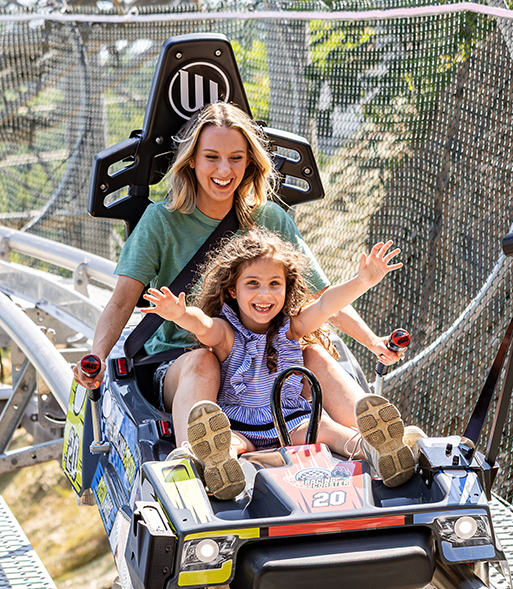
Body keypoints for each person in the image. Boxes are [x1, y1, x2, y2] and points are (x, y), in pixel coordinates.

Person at [72, 101, 406, 465]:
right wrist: (98, 356)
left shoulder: (269, 218)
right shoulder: (161, 222)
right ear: (192, 161)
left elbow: (322, 298)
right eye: (211, 157)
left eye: (235, 158)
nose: (223, 170)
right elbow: (122, 302)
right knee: (203, 360)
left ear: (249, 161)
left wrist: (373, 342)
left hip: (262, 358)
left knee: (314, 353)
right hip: (185, 359)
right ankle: (198, 459)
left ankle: (380, 440)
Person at [142, 228, 416, 499]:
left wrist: (362, 281)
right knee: (227, 443)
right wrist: (179, 314)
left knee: (328, 431)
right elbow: (203, 326)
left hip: (289, 423)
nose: (265, 294)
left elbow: (325, 305)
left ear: (287, 289)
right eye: (253, 284)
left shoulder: (290, 329)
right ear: (232, 291)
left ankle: (376, 449)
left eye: (275, 284)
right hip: (238, 425)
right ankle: (212, 463)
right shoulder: (227, 333)